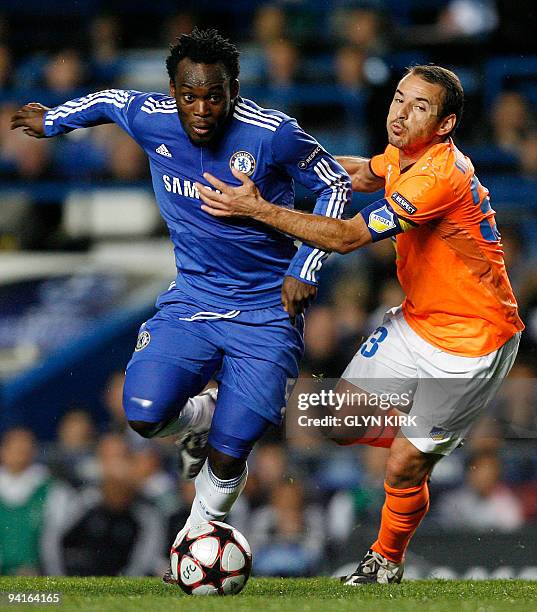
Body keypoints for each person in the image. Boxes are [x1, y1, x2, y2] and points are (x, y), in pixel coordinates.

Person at [10, 27, 351, 562]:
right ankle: (199, 419)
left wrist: (306, 264)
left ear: (233, 90)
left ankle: (197, 536)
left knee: (234, 445)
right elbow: (109, 101)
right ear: (172, 91)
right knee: (143, 413)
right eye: (188, 95)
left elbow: (335, 182)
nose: (201, 108)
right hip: (192, 299)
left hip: (267, 308)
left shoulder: (274, 134)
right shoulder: (153, 117)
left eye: (214, 95)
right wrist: (53, 121)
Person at [197, 64, 525, 584]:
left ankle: (385, 561)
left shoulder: (441, 174)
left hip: (472, 341)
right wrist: (279, 170)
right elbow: (357, 173)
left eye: (420, 107)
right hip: (419, 321)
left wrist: (258, 209)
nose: (400, 112)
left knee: (402, 467)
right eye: (399, 98)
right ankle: (434, 429)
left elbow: (349, 237)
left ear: (445, 124)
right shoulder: (405, 152)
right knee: (337, 421)